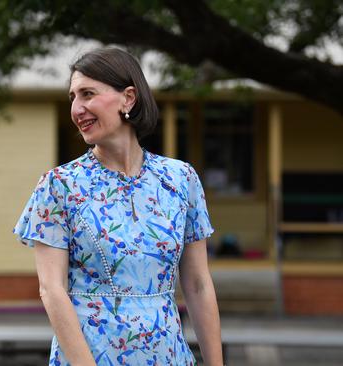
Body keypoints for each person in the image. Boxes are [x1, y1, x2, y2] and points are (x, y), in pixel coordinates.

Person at [14, 47, 223, 365]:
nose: (76, 108)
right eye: (72, 97)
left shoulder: (181, 180)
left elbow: (198, 284)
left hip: (168, 356)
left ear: (128, 98)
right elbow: (52, 290)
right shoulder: (59, 186)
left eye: (87, 94)